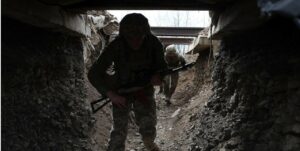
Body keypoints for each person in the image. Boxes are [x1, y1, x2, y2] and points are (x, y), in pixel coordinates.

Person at [88, 13, 167, 151]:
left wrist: (159, 76)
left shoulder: (153, 43)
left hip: (144, 89)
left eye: (140, 37)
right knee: (119, 131)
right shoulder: (116, 46)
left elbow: (163, 67)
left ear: (145, 34)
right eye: (131, 37)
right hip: (121, 91)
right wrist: (110, 94)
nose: (135, 41)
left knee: (148, 125)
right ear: (124, 36)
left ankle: (149, 144)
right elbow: (94, 74)